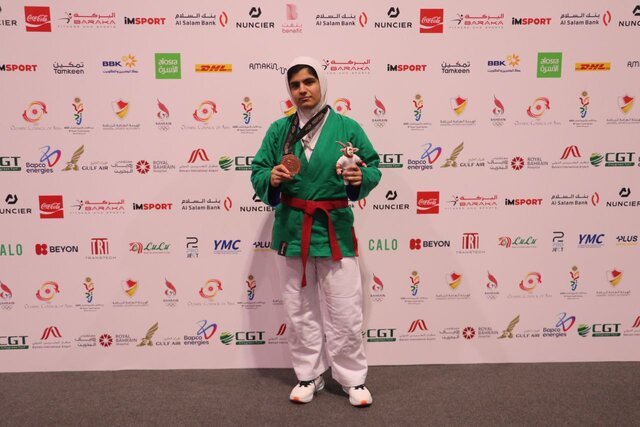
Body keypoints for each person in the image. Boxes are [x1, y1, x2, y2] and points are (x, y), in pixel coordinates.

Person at [251, 56, 381, 407]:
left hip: (334, 228)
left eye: (309, 81)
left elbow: (373, 166)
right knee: (299, 311)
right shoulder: (279, 130)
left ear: (322, 83)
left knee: (345, 311)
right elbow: (259, 169)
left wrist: (360, 177)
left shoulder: (347, 127)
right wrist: (270, 178)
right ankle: (308, 375)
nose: (302, 90)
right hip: (292, 229)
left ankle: (353, 378)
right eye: (295, 85)